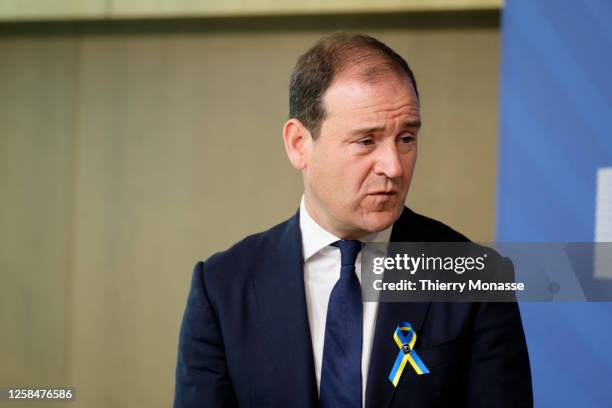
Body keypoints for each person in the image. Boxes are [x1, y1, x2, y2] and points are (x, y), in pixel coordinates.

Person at [173, 33, 532, 408]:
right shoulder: (223, 288)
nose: (394, 167)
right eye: (366, 141)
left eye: (406, 138)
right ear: (299, 144)